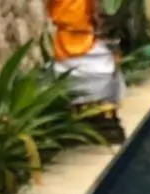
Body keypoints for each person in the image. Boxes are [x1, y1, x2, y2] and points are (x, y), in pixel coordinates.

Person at [46, 0, 127, 144]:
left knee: (104, 70)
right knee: (77, 74)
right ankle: (86, 118)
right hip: (70, 38)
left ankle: (103, 118)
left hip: (86, 36)